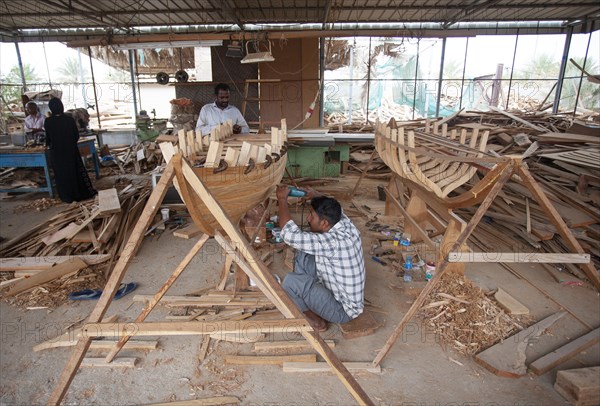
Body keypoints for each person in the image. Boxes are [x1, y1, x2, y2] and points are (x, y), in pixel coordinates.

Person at [276, 185, 366, 332]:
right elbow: (337, 208)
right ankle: (310, 296)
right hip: (336, 292)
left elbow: (288, 235)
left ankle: (315, 320)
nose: (308, 218)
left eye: (312, 215)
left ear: (324, 223)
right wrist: (316, 194)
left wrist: (281, 199)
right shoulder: (345, 225)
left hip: (341, 310)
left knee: (291, 282)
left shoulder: (332, 243)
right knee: (304, 253)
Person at [44, 98, 97, 203]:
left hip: (57, 153)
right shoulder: (69, 120)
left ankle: (67, 196)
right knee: (75, 172)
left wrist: (51, 144)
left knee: (62, 174)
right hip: (71, 151)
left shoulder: (48, 121)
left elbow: (48, 139)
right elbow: (76, 136)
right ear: (61, 106)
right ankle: (79, 193)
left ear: (51, 108)